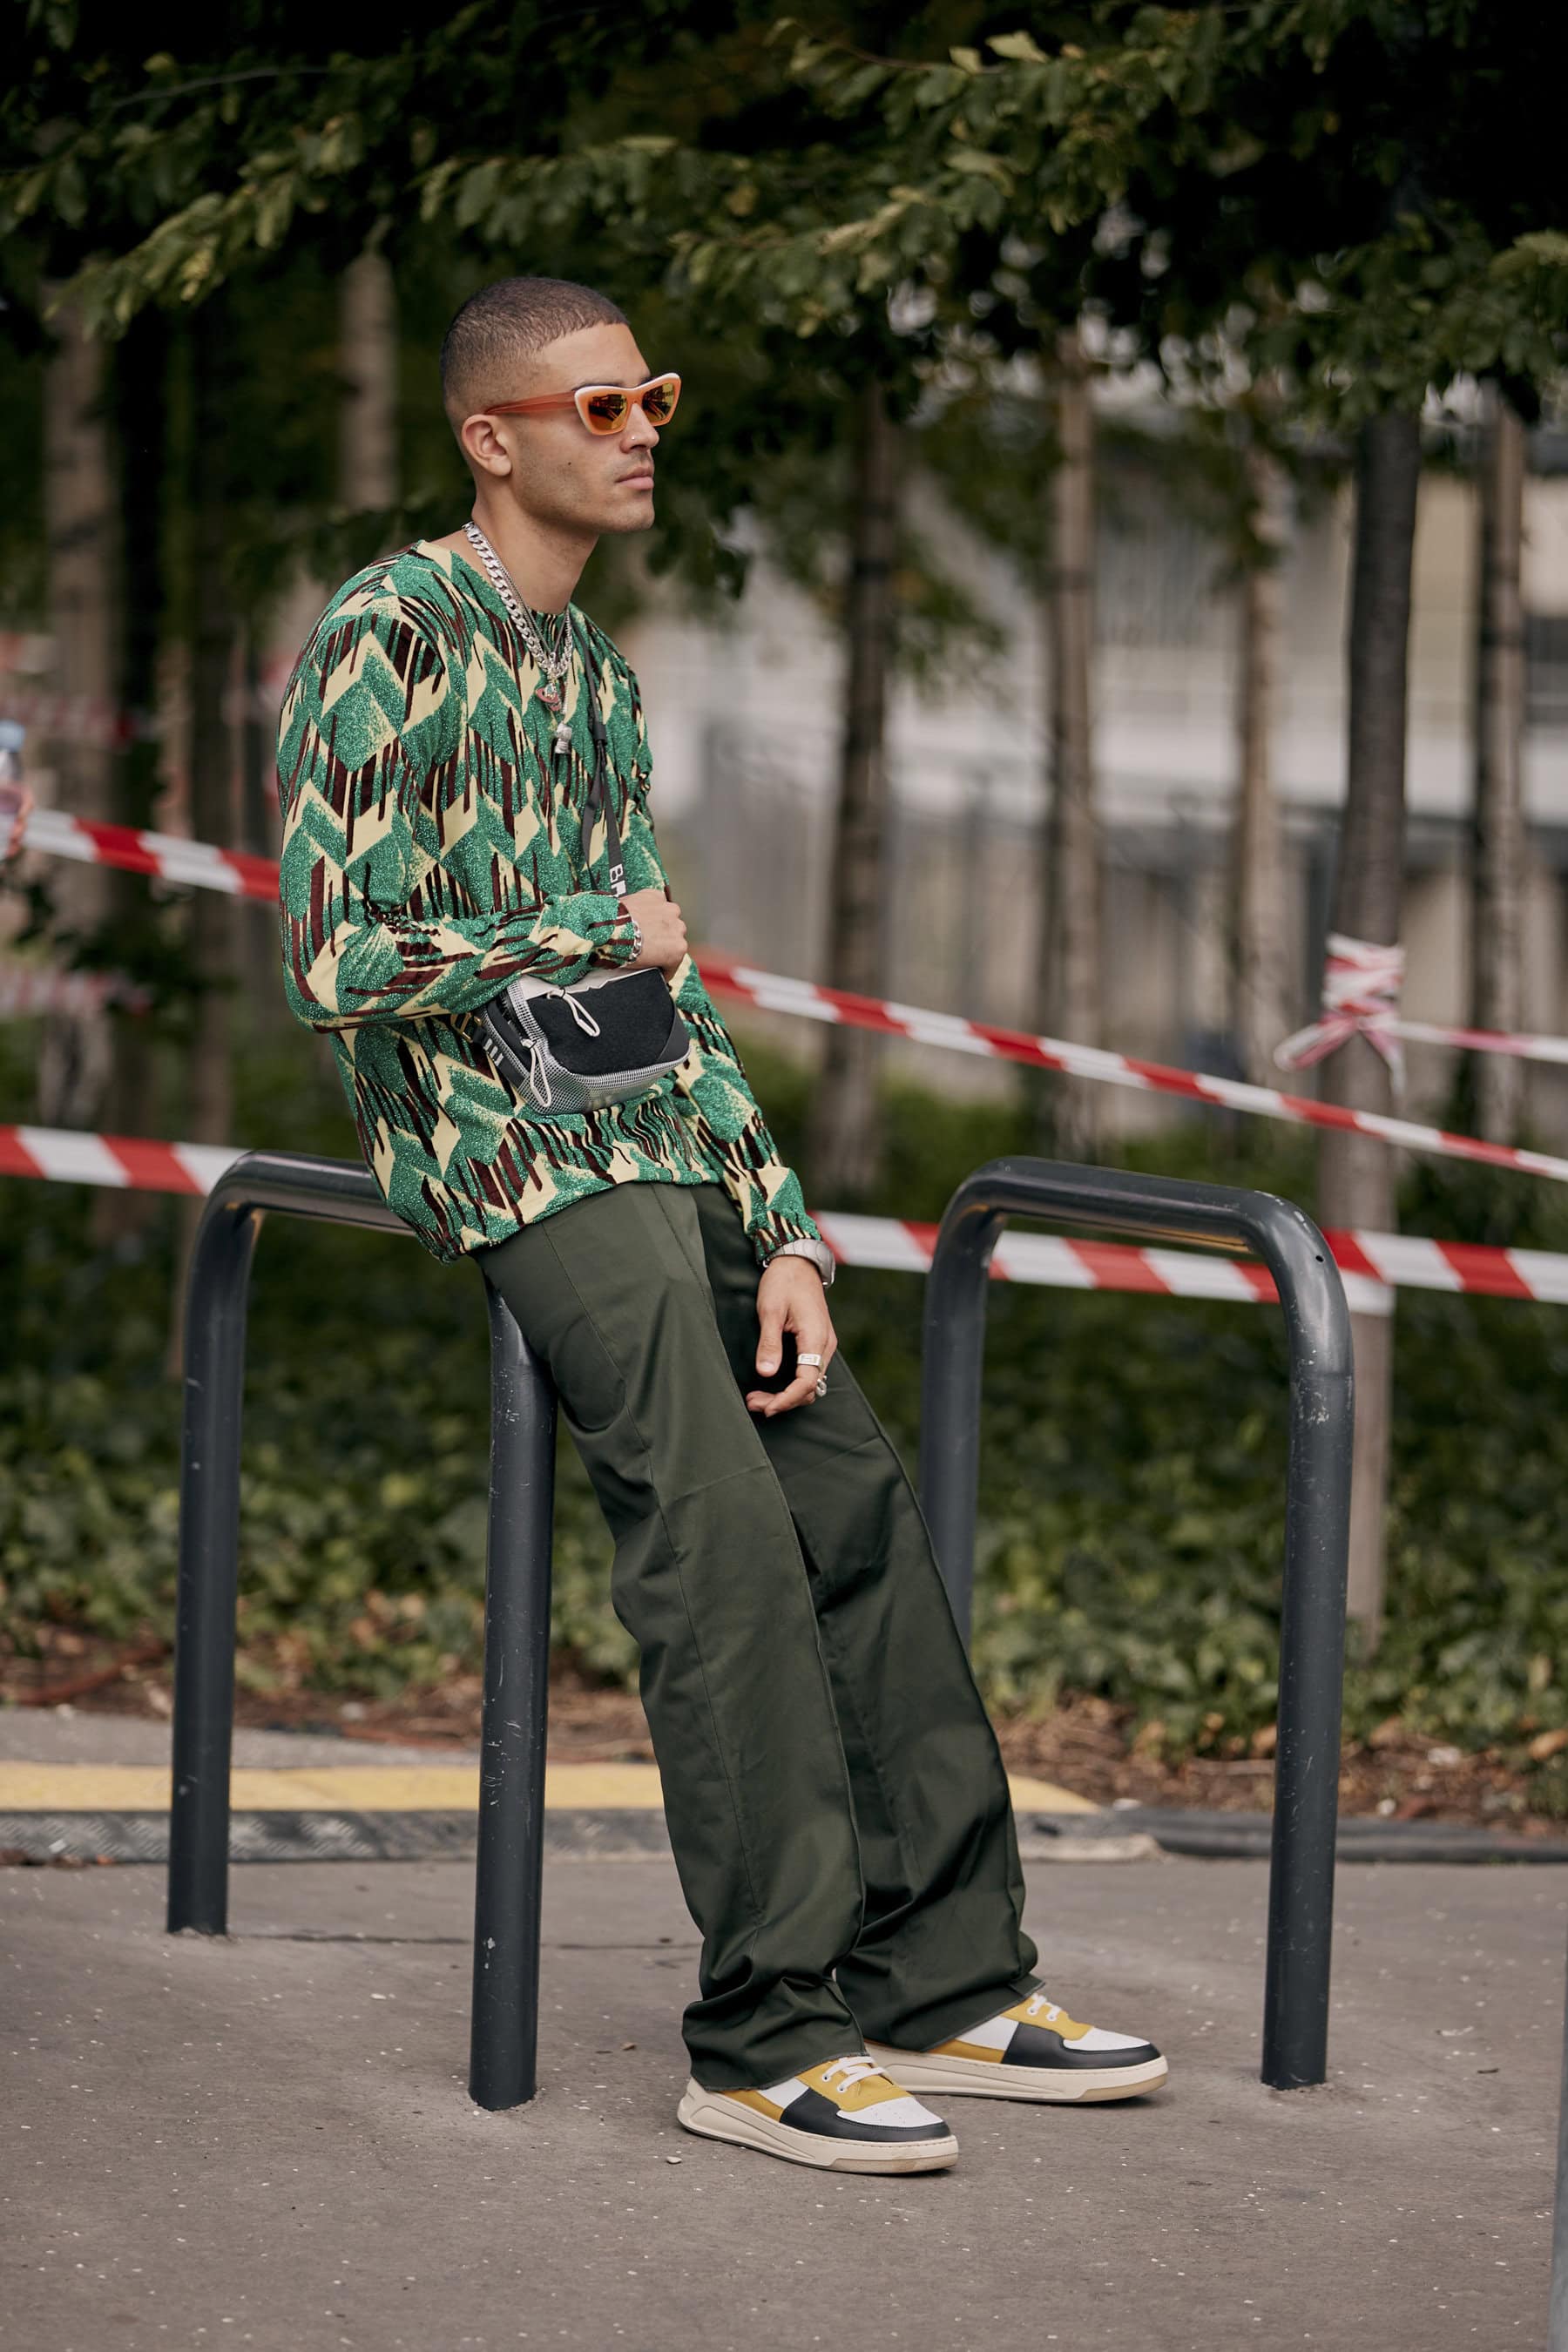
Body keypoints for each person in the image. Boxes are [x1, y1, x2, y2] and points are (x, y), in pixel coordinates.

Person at [274, 274, 1166, 2174]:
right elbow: (338, 960)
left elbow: (660, 999)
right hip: (506, 1155)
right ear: (491, 438)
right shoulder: (387, 630)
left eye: (652, 398)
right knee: (720, 1537)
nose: (642, 433)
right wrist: (591, 932)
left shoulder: (597, 679)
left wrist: (789, 1231)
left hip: (652, 1134)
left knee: (853, 1506)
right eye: (598, 407)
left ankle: (945, 1976)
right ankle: (765, 2035)